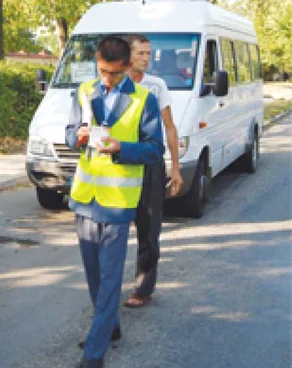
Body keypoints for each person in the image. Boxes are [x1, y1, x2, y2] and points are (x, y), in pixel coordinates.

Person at [66, 36, 164, 368]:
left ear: (127, 67)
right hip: (85, 199)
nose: (106, 79)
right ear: (97, 63)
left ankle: (94, 353)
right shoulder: (84, 91)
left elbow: (154, 149)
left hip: (119, 202)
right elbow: (69, 133)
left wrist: (121, 148)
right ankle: (111, 326)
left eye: (114, 74)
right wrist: (77, 137)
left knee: (109, 278)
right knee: (94, 276)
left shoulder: (143, 100)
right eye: (102, 71)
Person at [124, 34, 184, 308]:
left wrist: (175, 167)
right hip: (120, 166)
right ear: (127, 56)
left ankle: (143, 288)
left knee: (149, 230)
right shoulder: (115, 83)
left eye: (149, 54)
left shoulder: (156, 85)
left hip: (150, 167)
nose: (146, 59)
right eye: (141, 54)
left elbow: (169, 127)